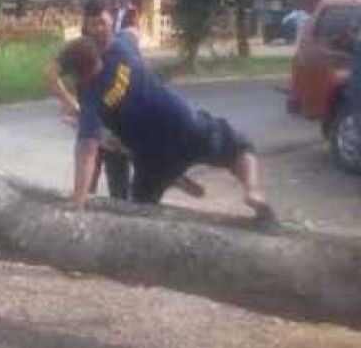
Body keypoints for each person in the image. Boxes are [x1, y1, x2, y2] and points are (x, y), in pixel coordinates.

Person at [59, 36, 273, 220]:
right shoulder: (120, 51)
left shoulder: (89, 97)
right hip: (185, 124)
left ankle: (171, 176)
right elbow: (129, 34)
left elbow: (87, 152)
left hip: (153, 157)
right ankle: (252, 191)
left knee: (141, 206)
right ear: (98, 52)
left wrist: (78, 200)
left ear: (77, 75)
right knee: (239, 147)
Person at [44, 0, 132, 199]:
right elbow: (50, 74)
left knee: (119, 190)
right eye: (94, 24)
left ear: (111, 17)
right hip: (92, 124)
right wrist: (68, 101)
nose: (99, 28)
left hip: (119, 128)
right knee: (86, 185)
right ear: (86, 24)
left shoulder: (123, 45)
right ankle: (82, 219)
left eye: (103, 21)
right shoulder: (79, 49)